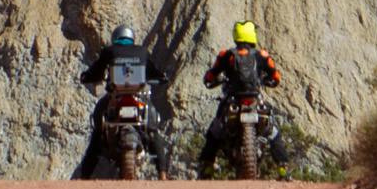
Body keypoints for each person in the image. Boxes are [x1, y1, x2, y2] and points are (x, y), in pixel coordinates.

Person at [77, 23, 175, 178]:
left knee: (98, 131)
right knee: (153, 130)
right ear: (132, 38)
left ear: (115, 38)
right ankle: (162, 172)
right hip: (138, 97)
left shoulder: (109, 51)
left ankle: (85, 176)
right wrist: (162, 77)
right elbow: (153, 71)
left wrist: (86, 77)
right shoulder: (142, 51)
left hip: (115, 97)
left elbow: (96, 70)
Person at [197, 20, 280, 175]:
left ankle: (207, 165)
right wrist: (268, 81)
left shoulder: (226, 55)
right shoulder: (262, 55)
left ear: (236, 35)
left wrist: (214, 80)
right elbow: (276, 76)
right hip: (255, 98)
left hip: (232, 99)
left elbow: (210, 76)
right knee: (272, 129)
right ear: (252, 35)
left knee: (215, 130)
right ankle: (283, 167)